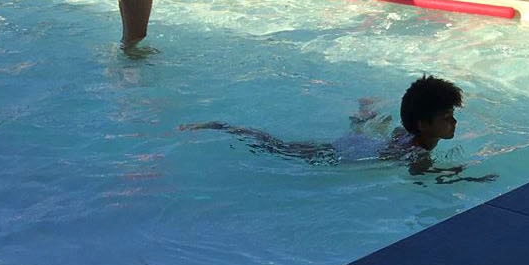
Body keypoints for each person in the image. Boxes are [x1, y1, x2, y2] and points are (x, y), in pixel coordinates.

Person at [182, 76, 494, 182]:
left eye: (452, 116)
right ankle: (223, 127)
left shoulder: (409, 135)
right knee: (276, 147)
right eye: (447, 117)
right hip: (337, 156)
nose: (454, 122)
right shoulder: (419, 153)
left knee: (358, 131)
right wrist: (464, 175)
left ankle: (363, 114)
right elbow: (420, 174)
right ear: (424, 125)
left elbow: (395, 136)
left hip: (357, 146)